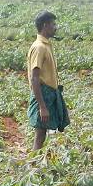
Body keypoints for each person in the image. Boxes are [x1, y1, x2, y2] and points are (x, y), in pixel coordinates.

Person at [27, 11, 68, 149]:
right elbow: (35, 78)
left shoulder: (45, 45)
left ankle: (36, 164)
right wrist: (42, 107)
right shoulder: (39, 47)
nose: (55, 27)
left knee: (42, 134)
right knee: (40, 134)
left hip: (49, 93)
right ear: (45, 25)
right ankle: (33, 166)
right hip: (43, 95)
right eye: (53, 24)